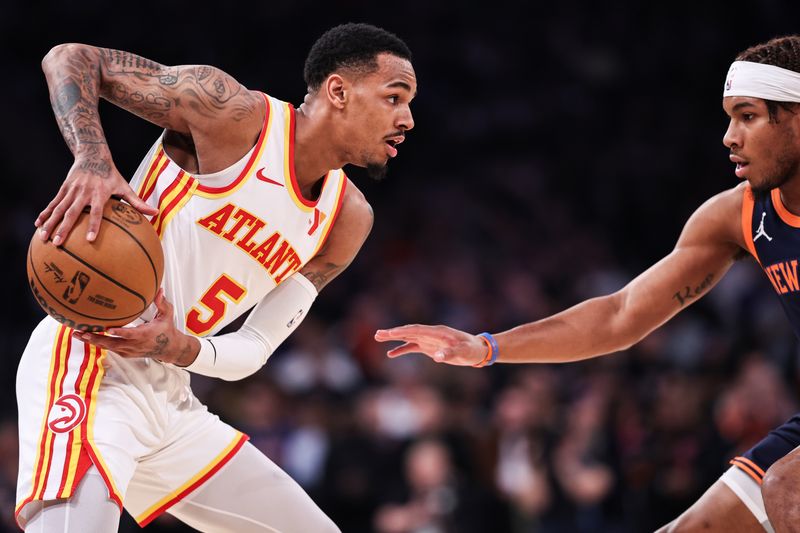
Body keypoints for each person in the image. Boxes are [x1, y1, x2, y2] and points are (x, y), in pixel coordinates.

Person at [376, 35, 800, 532]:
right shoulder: (738, 213)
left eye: (747, 117)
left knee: (786, 488)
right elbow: (620, 315)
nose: (729, 136)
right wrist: (485, 347)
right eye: (729, 117)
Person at [20, 22, 416, 532]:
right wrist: (93, 161)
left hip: (171, 399)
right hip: (90, 366)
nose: (406, 119)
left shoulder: (346, 219)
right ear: (338, 90)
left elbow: (255, 345)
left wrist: (179, 348)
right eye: (394, 97)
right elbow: (70, 57)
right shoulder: (234, 115)